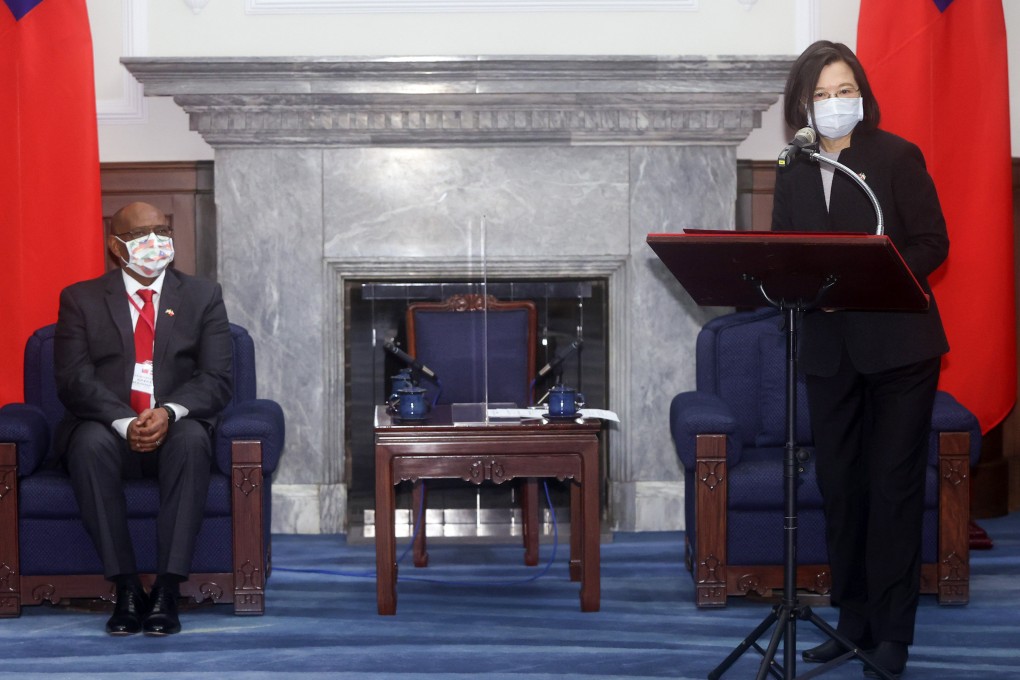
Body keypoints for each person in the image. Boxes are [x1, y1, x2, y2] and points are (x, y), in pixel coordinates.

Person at [772, 41, 949, 679]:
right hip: (827, 351)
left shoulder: (896, 157)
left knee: (893, 488)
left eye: (844, 90)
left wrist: (883, 277)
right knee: (841, 487)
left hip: (900, 349)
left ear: (863, 95)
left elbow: (934, 242)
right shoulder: (792, 167)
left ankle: (893, 633)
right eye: (821, 94)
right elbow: (785, 254)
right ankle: (851, 621)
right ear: (802, 105)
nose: (835, 103)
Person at [54, 202, 233, 636]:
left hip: (176, 426)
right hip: (108, 429)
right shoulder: (81, 298)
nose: (154, 242)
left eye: (161, 230)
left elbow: (217, 378)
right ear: (116, 247)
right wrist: (123, 420)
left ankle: (168, 589)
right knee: (88, 443)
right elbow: (73, 380)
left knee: (192, 439)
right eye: (139, 236)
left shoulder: (202, 295)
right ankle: (127, 587)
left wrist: (168, 413)